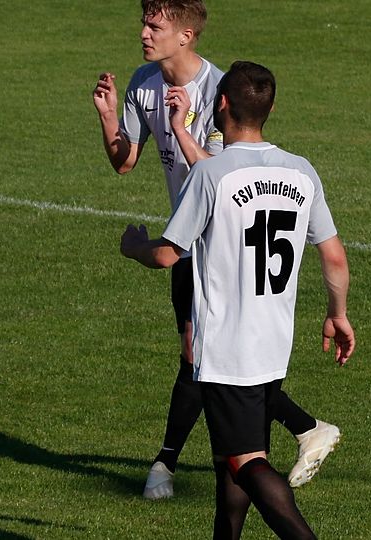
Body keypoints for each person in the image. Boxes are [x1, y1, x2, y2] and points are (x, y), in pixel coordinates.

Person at [93, 0, 339, 500]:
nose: (144, 33)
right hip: (188, 236)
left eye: (155, 26)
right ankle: (290, 434)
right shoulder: (142, 83)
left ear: (185, 35)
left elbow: (227, 172)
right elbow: (124, 162)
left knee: (200, 356)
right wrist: (108, 117)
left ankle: (169, 462)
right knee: (201, 359)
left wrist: (181, 129)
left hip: (219, 241)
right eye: (144, 23)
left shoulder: (218, 91)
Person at [120, 61, 355, 539]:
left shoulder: (212, 175)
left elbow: (167, 255)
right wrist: (338, 315)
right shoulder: (301, 171)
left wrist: (133, 246)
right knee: (230, 464)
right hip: (274, 344)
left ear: (221, 105)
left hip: (228, 350)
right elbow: (333, 256)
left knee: (247, 464)